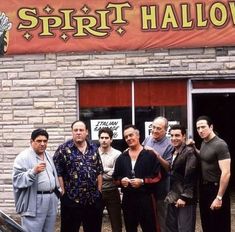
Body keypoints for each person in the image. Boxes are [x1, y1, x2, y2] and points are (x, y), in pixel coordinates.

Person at [53, 120, 103, 232]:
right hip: (71, 200)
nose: (78, 132)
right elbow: (58, 172)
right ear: (72, 132)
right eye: (76, 130)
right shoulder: (63, 149)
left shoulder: (94, 148)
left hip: (92, 200)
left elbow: (99, 170)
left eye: (81, 130)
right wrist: (63, 193)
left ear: (87, 132)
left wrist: (99, 191)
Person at [113, 125, 161, 232]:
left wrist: (143, 181)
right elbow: (115, 178)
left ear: (138, 135)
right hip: (128, 199)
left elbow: (158, 176)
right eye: (126, 137)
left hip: (146, 198)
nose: (129, 138)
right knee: (130, 228)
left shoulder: (150, 155)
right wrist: (121, 182)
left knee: (150, 228)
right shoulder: (121, 158)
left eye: (131, 135)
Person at [12, 128, 60, 232]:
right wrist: (33, 171)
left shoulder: (47, 155)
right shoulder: (23, 157)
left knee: (49, 230)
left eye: (45, 141)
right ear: (31, 141)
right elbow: (17, 180)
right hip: (35, 200)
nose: (42, 144)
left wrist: (58, 191)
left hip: (51, 199)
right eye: (39, 141)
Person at [195, 115, 231, 232]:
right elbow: (205, 157)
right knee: (207, 223)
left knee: (219, 225)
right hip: (205, 188)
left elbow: (226, 173)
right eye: (198, 128)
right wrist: (193, 148)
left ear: (211, 127)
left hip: (216, 189)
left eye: (203, 127)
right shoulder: (204, 142)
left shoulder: (220, 144)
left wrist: (219, 197)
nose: (200, 130)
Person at [142, 116, 173, 232]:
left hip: (162, 185)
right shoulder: (147, 139)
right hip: (147, 184)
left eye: (158, 128)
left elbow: (169, 167)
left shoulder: (170, 144)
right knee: (148, 215)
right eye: (153, 127)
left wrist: (157, 154)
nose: (155, 130)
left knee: (162, 216)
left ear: (166, 130)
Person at [165, 124, 198, 232]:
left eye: (177, 135)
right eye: (172, 135)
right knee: (172, 228)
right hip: (173, 195)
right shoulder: (173, 152)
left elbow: (191, 175)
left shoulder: (189, 152)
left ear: (184, 136)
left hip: (185, 199)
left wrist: (184, 197)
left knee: (184, 229)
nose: (174, 138)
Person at [98, 127, 122, 232]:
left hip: (112, 191)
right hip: (97, 191)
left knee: (116, 223)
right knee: (94, 222)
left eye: (106, 138)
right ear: (98, 139)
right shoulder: (93, 153)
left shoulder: (117, 154)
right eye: (102, 137)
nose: (104, 140)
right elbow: (91, 174)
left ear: (111, 139)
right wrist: (108, 170)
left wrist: (100, 172)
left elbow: (115, 174)